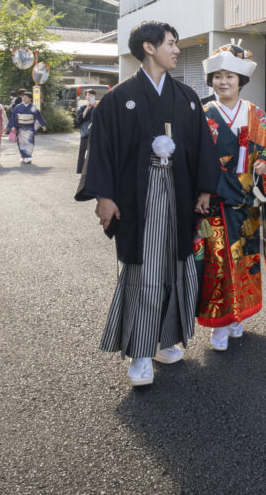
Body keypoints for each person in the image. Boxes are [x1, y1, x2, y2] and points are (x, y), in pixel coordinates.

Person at [75, 21, 219, 388]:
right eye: (171, 44)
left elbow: (203, 145)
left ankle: (167, 338)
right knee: (145, 269)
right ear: (149, 47)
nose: (176, 50)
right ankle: (140, 353)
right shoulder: (119, 98)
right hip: (140, 196)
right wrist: (104, 197)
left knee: (178, 266)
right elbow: (101, 151)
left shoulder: (186, 97)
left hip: (180, 192)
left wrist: (204, 189)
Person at [197, 44, 266, 352]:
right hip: (215, 199)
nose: (223, 82)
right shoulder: (202, 113)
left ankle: (238, 318)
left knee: (245, 261)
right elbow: (193, 156)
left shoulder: (256, 114)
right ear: (211, 81)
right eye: (218, 77)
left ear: (240, 81)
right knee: (217, 263)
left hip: (247, 201)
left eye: (230, 77)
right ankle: (220, 323)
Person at [7, 91, 47, 164]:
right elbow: (13, 117)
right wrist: (12, 126)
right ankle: (22, 156)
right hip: (20, 127)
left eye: (25, 97)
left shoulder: (33, 107)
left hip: (30, 127)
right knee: (21, 142)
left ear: (30, 99)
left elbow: (39, 116)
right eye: (23, 97)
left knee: (30, 142)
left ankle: (28, 156)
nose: (23, 98)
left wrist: (43, 125)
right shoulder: (18, 107)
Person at [75, 91, 99, 174]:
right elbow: (79, 119)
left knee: (94, 152)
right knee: (83, 151)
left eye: (92, 95)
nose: (90, 97)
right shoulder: (83, 107)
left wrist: (96, 107)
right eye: (88, 95)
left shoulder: (99, 106)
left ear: (95, 96)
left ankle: (93, 170)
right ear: (85, 97)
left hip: (96, 133)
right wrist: (87, 108)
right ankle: (81, 170)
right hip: (85, 133)